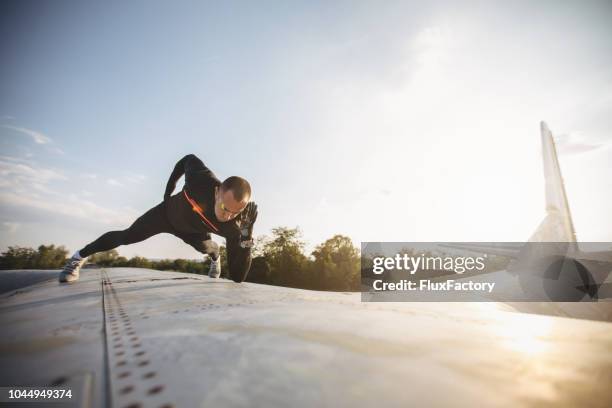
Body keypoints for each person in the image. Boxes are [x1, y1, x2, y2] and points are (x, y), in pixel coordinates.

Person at [58, 154, 258, 283]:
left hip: (193, 232)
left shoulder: (235, 226)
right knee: (126, 236)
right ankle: (78, 257)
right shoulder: (200, 178)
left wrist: (247, 237)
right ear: (217, 192)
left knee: (207, 248)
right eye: (225, 208)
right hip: (166, 214)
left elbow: (238, 278)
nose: (228, 216)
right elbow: (187, 159)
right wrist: (168, 191)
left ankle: (215, 258)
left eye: (236, 213)